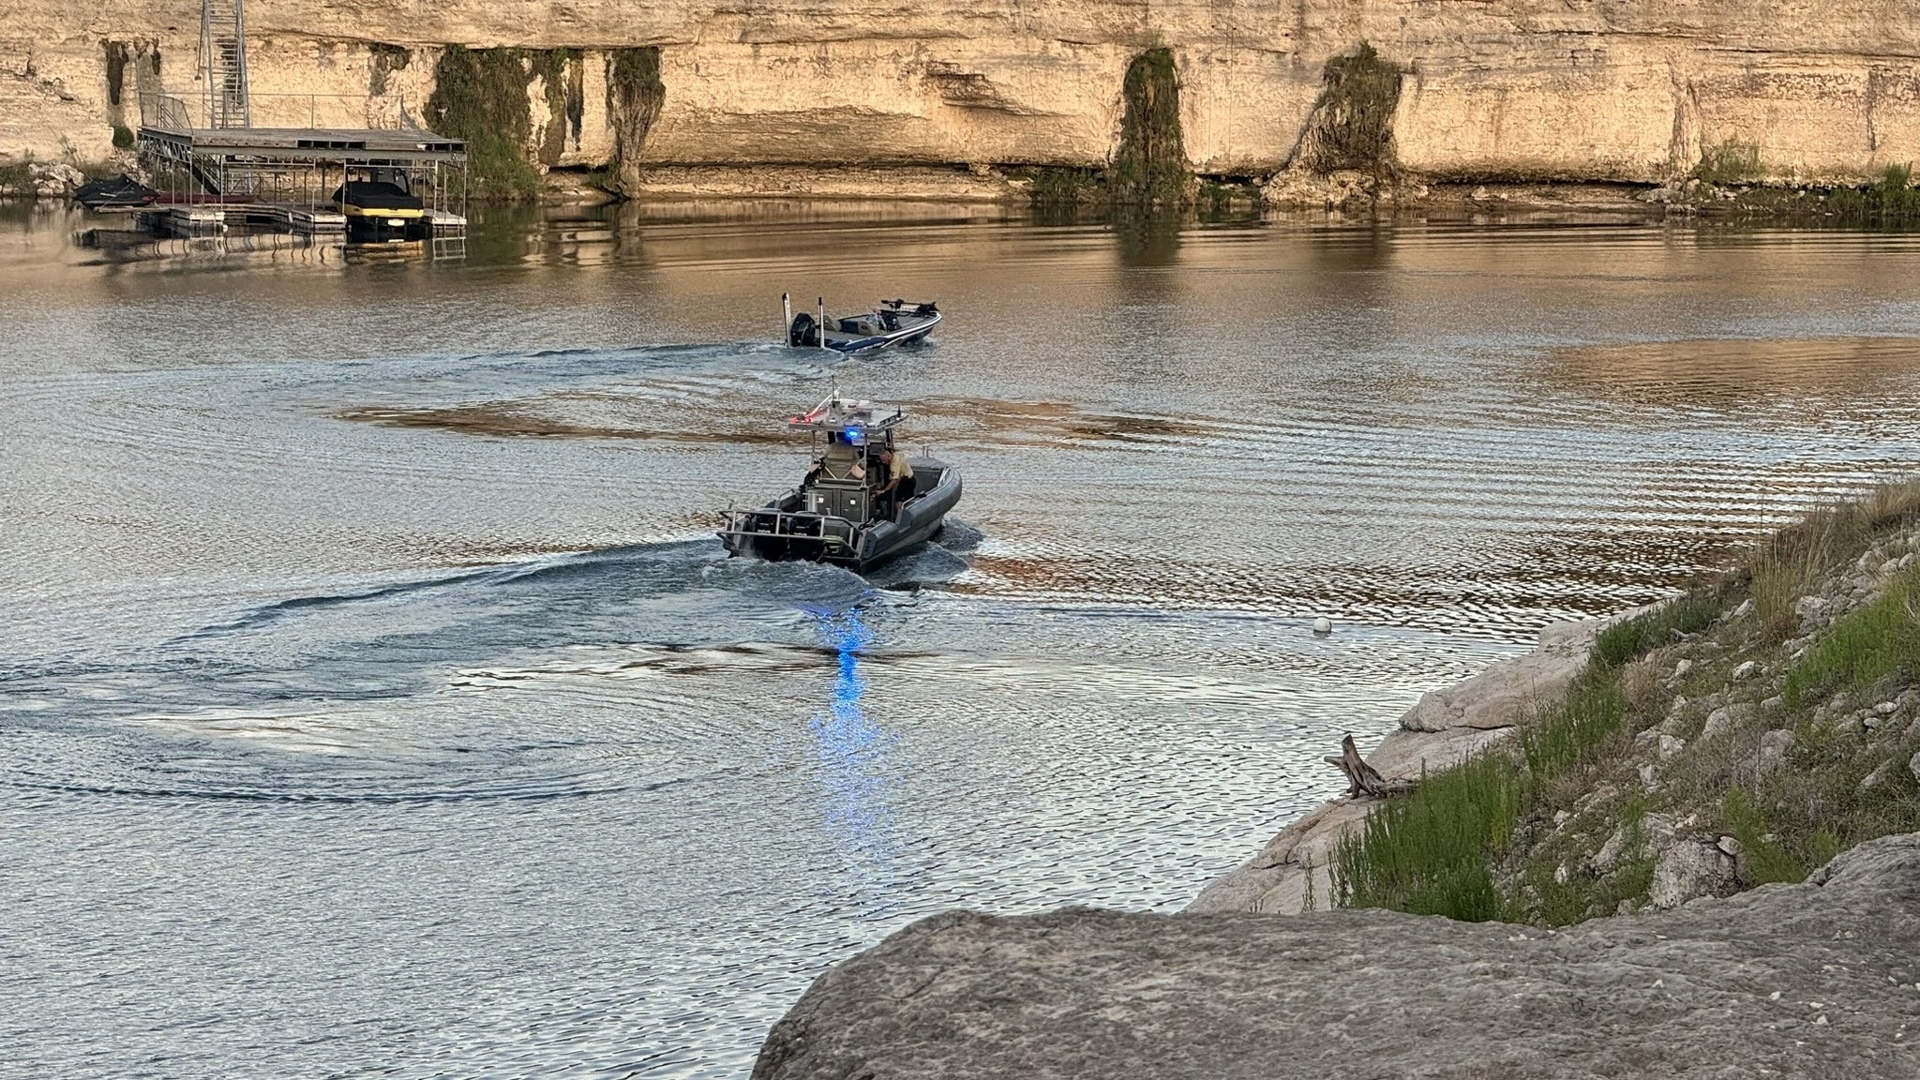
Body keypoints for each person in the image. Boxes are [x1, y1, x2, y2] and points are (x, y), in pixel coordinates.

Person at [874, 446, 915, 517]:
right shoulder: (897, 454)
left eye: (884, 460)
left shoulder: (894, 464)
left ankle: (901, 518)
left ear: (889, 456)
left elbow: (894, 480)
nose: (883, 462)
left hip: (906, 482)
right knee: (908, 500)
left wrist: (883, 490)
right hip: (911, 479)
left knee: (899, 502)